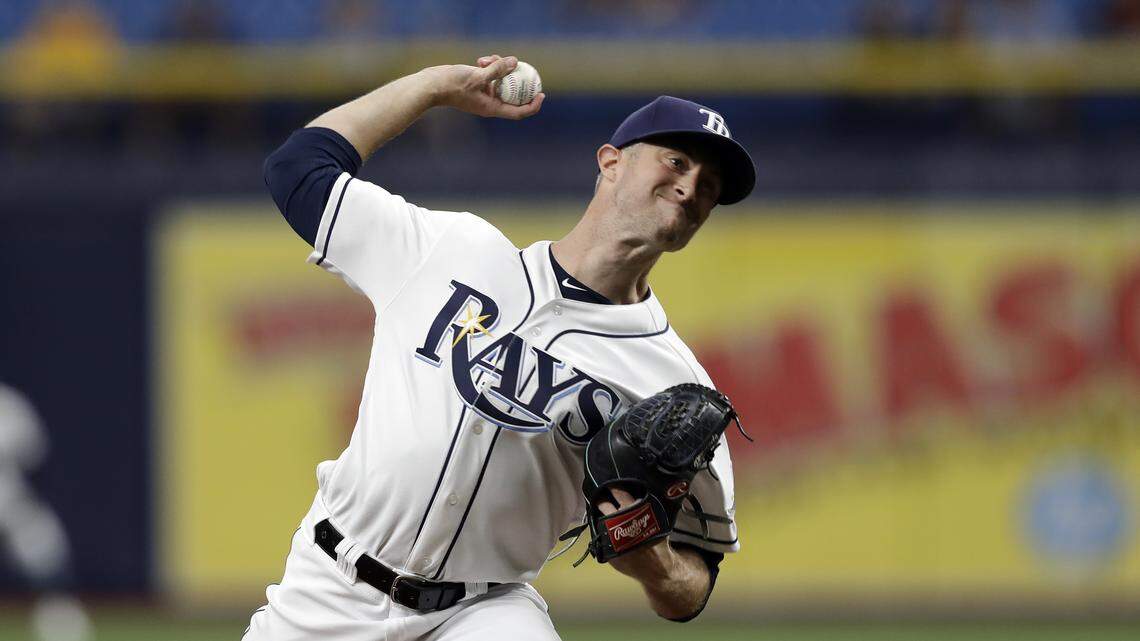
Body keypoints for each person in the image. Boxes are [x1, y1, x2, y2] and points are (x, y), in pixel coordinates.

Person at [249, 54, 755, 641]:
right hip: (331, 587)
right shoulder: (449, 251)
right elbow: (298, 168)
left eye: (710, 185)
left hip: (482, 611)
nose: (691, 186)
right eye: (677, 161)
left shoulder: (674, 382)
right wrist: (433, 87)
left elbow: (694, 585)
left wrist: (655, 563)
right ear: (611, 163)